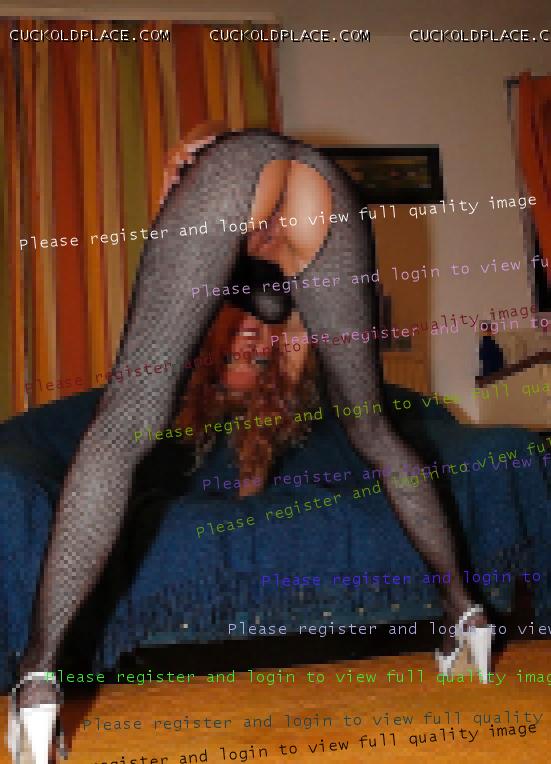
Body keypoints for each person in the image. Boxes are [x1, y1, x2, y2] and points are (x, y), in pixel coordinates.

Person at [7, 125, 493, 763]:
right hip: (324, 188)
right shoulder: (252, 334)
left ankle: (39, 676)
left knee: (123, 424)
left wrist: (181, 175)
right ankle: (466, 615)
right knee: (372, 428)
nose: (252, 351)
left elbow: (202, 179)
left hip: (243, 168)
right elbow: (284, 341)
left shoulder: (222, 298)